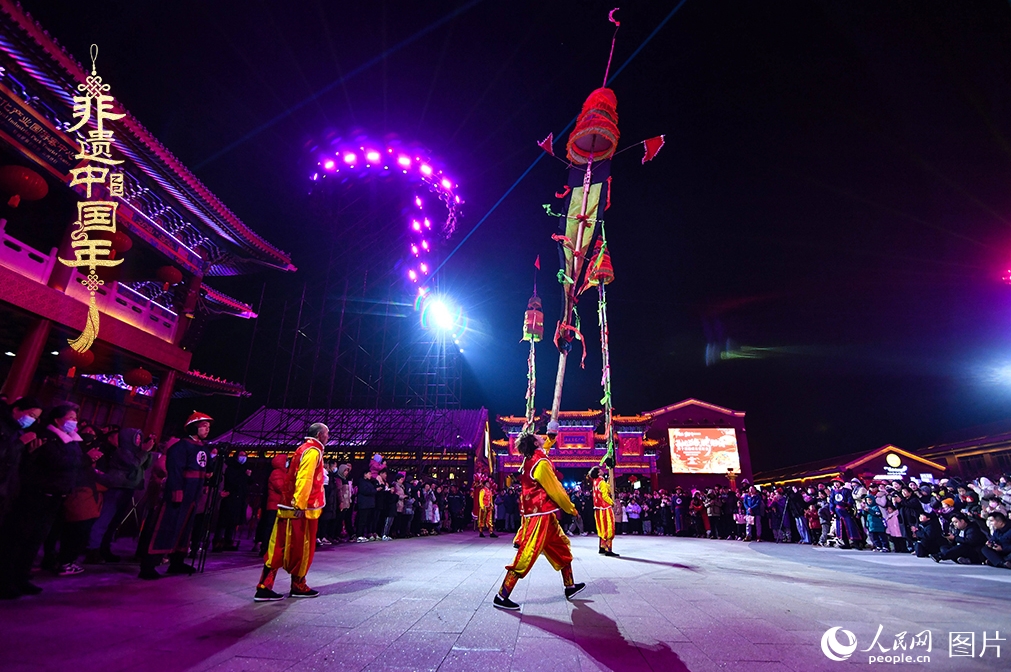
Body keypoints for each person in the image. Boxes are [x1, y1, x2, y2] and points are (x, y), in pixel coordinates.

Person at [0, 403, 89, 598]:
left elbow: (78, 464)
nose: (74, 422)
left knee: (35, 540)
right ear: (57, 419)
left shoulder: (71, 441)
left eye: (75, 419)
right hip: (36, 495)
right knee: (18, 539)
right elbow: (56, 462)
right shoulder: (46, 438)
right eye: (71, 418)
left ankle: (22, 577)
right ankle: (6, 580)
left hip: (56, 496)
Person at [493, 430, 585, 611]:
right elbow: (556, 490)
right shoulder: (540, 464)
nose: (540, 437)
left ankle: (570, 586)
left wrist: (550, 440)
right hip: (539, 516)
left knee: (562, 548)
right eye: (538, 437)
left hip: (543, 514)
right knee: (527, 554)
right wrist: (571, 509)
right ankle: (501, 595)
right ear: (535, 444)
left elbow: (544, 451)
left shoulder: (531, 459)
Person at [254, 423, 328, 601]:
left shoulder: (302, 449)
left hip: (287, 506)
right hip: (303, 509)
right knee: (302, 547)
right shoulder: (313, 451)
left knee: (278, 545)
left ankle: (265, 585)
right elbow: (305, 477)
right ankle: (298, 585)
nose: (328, 437)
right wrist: (300, 504)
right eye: (326, 434)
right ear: (319, 435)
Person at [138, 412, 213, 579]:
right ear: (194, 426)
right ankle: (149, 564)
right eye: (204, 426)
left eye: (208, 427)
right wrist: (176, 490)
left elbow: (209, 468)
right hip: (181, 492)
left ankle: (177, 561)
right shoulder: (180, 447)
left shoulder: (203, 448)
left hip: (194, 494)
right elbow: (175, 471)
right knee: (166, 526)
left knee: (185, 528)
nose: (207, 430)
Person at [84, 428, 154, 563]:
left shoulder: (136, 453)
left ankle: (104, 548)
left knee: (114, 522)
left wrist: (147, 451)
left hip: (128, 488)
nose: (139, 440)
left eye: (140, 437)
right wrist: (145, 451)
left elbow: (145, 465)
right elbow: (134, 465)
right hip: (116, 488)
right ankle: (92, 550)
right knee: (105, 519)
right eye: (136, 437)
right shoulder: (121, 451)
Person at [0, 397, 43, 530]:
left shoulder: (17, 430)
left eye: (35, 418)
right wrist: (20, 443)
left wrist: (29, 452)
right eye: (31, 415)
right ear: (16, 409)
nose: (32, 420)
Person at [254, 454, 288, 555]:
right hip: (274, 505)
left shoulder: (283, 473)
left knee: (274, 527)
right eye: (286, 460)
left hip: (278, 504)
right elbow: (280, 487)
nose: (288, 462)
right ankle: (265, 547)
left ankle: (271, 547)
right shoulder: (276, 473)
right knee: (270, 527)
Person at [590, 465, 618, 556]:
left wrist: (609, 481)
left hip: (598, 509)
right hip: (605, 508)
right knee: (608, 528)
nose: (602, 470)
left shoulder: (595, 482)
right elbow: (605, 496)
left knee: (601, 528)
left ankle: (602, 547)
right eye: (600, 470)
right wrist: (612, 503)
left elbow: (606, 488)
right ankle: (608, 549)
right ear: (598, 472)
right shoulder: (601, 482)